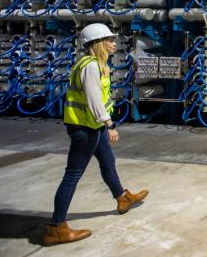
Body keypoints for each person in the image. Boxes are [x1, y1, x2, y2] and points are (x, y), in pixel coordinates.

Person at [45, 23, 149, 246]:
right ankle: (56, 227)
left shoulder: (97, 64)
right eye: (110, 40)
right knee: (72, 175)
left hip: (92, 127)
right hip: (85, 129)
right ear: (98, 43)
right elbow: (93, 100)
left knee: (108, 162)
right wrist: (109, 124)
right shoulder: (90, 66)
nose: (114, 43)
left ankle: (122, 198)